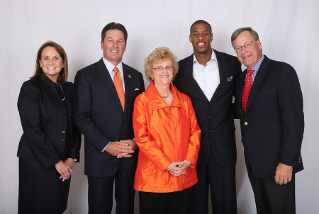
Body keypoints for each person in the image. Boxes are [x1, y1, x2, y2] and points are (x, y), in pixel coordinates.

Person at [73, 22, 145, 214]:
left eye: (119, 40)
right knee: (99, 209)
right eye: (110, 40)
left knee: (127, 208)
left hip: (129, 156)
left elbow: (144, 116)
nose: (115, 44)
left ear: (125, 45)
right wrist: (108, 145)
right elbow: (81, 117)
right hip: (100, 156)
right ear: (102, 44)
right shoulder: (86, 75)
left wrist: (136, 142)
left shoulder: (136, 76)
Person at [231, 27, 304, 214]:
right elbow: (245, 114)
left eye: (246, 45)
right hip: (255, 164)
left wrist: (288, 162)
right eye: (238, 48)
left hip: (278, 164)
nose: (243, 51)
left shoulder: (282, 71)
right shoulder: (241, 79)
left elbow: (294, 121)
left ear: (259, 44)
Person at [173, 20, 242, 214]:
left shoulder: (232, 64)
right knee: (195, 205)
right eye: (196, 34)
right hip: (192, 151)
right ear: (190, 38)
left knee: (226, 205)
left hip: (224, 147)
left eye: (205, 33)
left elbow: (242, 99)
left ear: (211, 36)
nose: (201, 38)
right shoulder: (179, 69)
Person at [133, 47, 201, 214]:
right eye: (159, 67)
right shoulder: (141, 101)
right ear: (151, 72)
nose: (164, 71)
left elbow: (195, 132)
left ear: (173, 71)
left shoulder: (185, 100)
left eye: (168, 67)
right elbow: (142, 138)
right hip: (153, 179)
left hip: (183, 174)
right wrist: (167, 165)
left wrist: (188, 161)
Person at [17, 41, 81, 214]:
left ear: (62, 63)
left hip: (64, 163)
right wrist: (57, 162)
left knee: (56, 208)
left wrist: (70, 159)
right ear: (39, 62)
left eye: (55, 58)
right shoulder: (30, 88)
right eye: (46, 58)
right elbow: (32, 130)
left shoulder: (70, 89)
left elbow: (76, 126)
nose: (51, 62)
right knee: (37, 208)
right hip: (37, 162)